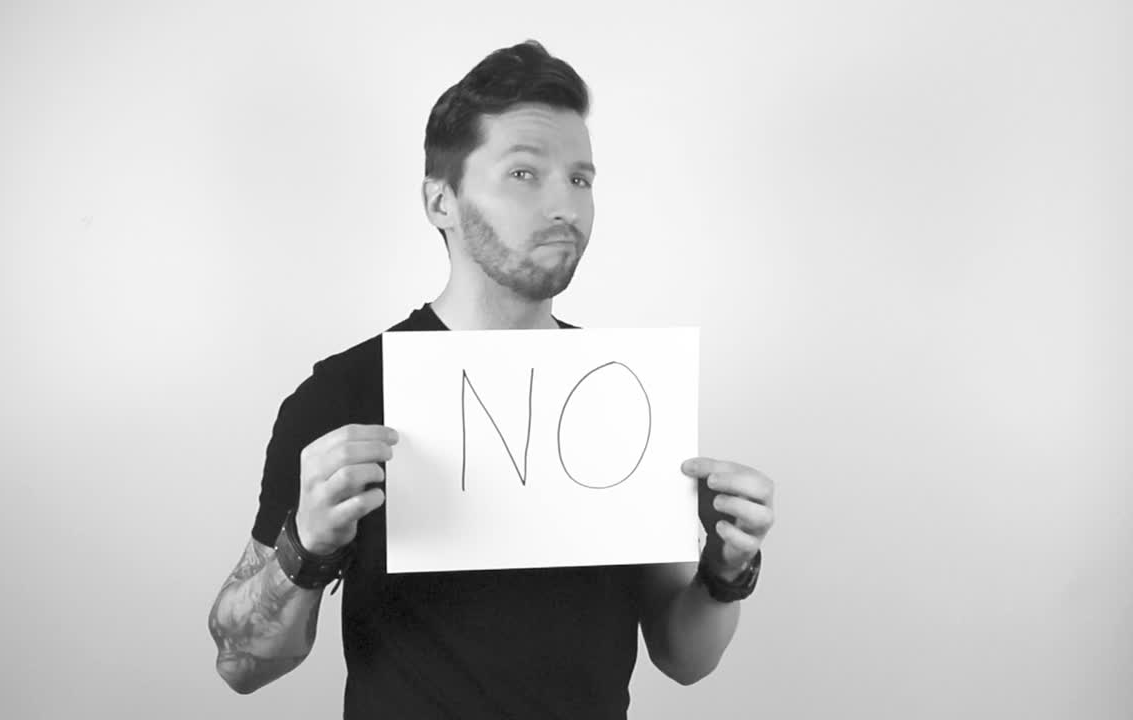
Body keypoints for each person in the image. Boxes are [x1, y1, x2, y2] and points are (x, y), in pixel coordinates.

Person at [207, 39, 777, 719]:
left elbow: (685, 658)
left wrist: (724, 570)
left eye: (581, 179)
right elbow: (240, 664)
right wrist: (305, 548)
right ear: (440, 201)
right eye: (525, 174)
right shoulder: (343, 397)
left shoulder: (621, 393)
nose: (565, 204)